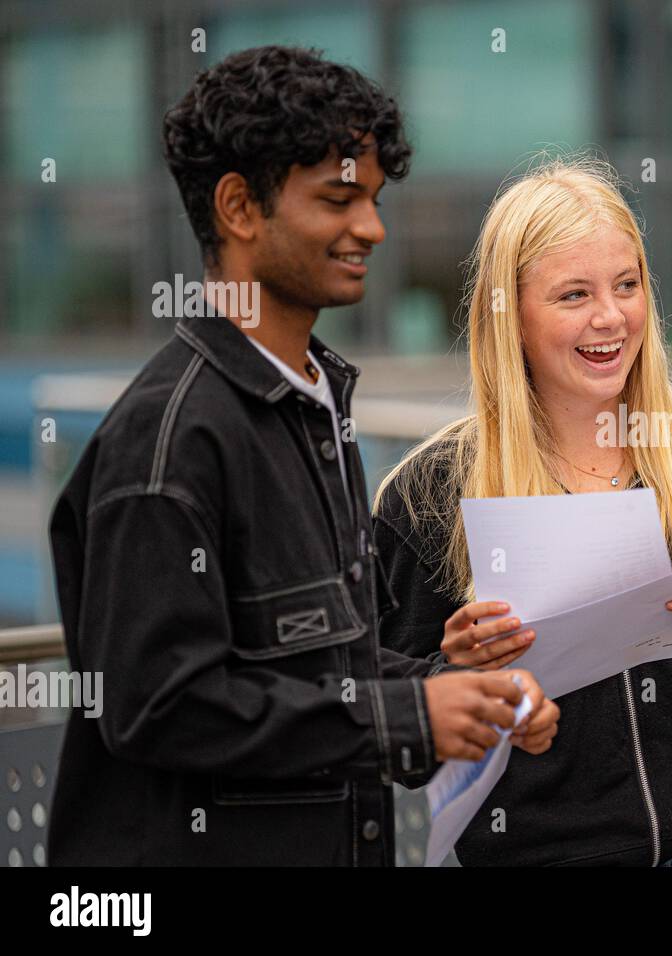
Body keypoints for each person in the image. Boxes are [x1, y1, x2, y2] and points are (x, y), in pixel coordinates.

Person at [47, 45, 557, 866]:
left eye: (376, 199)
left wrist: (439, 683)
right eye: (338, 198)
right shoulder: (169, 438)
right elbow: (157, 706)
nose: (373, 227)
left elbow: (311, 669)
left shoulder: (312, 405)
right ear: (240, 207)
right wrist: (407, 719)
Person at [374, 156, 672, 866]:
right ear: (510, 315)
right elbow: (393, 739)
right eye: (572, 295)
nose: (610, 316)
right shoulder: (429, 493)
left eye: (628, 285)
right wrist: (455, 676)